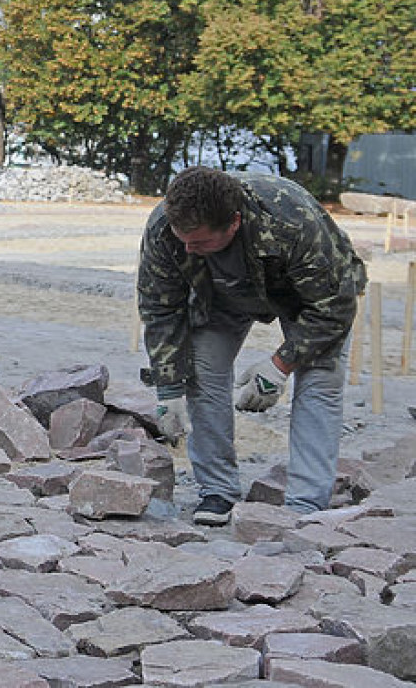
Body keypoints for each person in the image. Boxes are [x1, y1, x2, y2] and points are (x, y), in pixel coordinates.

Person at [137, 167, 366, 525]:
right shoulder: (165, 226)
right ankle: (217, 491)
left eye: (198, 243)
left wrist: (280, 365)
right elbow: (160, 308)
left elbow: (334, 307)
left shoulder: (292, 221)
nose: (187, 249)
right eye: (183, 240)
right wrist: (168, 388)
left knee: (321, 380)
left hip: (306, 298)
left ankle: (305, 505)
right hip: (220, 295)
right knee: (202, 371)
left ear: (233, 223)